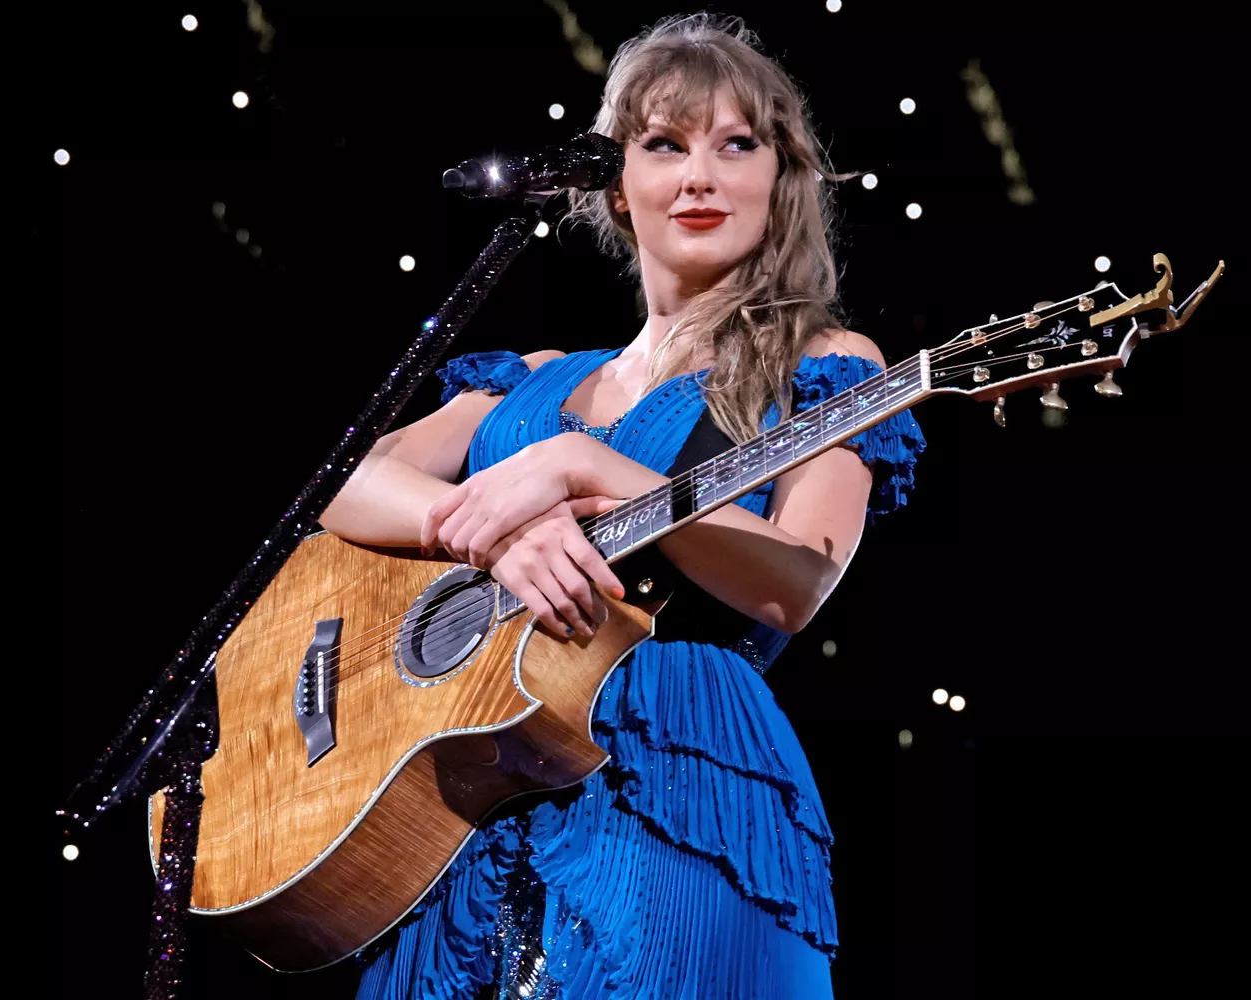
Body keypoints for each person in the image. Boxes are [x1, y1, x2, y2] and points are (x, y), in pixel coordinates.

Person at [320, 14, 924, 999]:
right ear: (614, 184)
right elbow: (346, 482)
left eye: (738, 145)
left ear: (782, 180)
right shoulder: (534, 376)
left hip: (672, 766)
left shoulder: (825, 367)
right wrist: (486, 533)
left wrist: (584, 468)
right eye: (664, 143)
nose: (700, 175)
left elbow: (797, 579)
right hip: (457, 790)